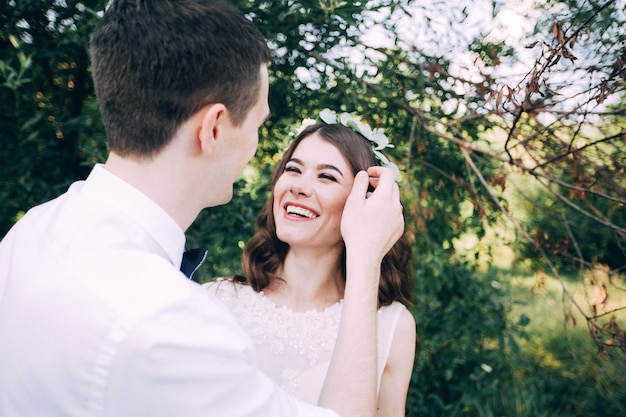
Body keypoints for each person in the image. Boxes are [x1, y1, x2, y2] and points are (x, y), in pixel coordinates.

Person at [0, 1, 404, 417]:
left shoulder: (31, 232)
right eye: (257, 124)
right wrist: (367, 254)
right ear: (213, 128)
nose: (257, 146)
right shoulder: (174, 325)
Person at [205, 110, 417, 416]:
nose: (300, 186)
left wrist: (365, 254)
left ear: (366, 202)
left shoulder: (392, 326)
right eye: (293, 169)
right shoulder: (217, 300)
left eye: (327, 176)